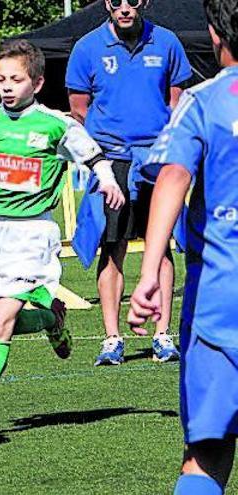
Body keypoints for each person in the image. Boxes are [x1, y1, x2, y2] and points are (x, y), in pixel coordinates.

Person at [0, 39, 125, 436]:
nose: (7, 86)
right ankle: (51, 317)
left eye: (16, 79)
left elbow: (93, 155)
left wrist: (108, 181)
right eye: (0, 79)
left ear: (38, 82)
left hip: (32, 235)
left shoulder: (54, 124)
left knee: (3, 323)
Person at [128, 0, 238, 492]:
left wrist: (150, 272)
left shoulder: (203, 100)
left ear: (215, 34)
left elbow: (173, 173)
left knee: (207, 452)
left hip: (220, 300)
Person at [66, 0, 192, 366]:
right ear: (106, 3)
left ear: (145, 2)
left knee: (162, 246)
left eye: (132, 0)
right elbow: (79, 109)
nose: (124, 7)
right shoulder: (86, 47)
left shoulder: (167, 42)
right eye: (116, 0)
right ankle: (111, 338)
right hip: (111, 162)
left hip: (156, 160)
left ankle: (163, 335)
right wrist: (100, 154)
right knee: (113, 246)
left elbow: (176, 103)